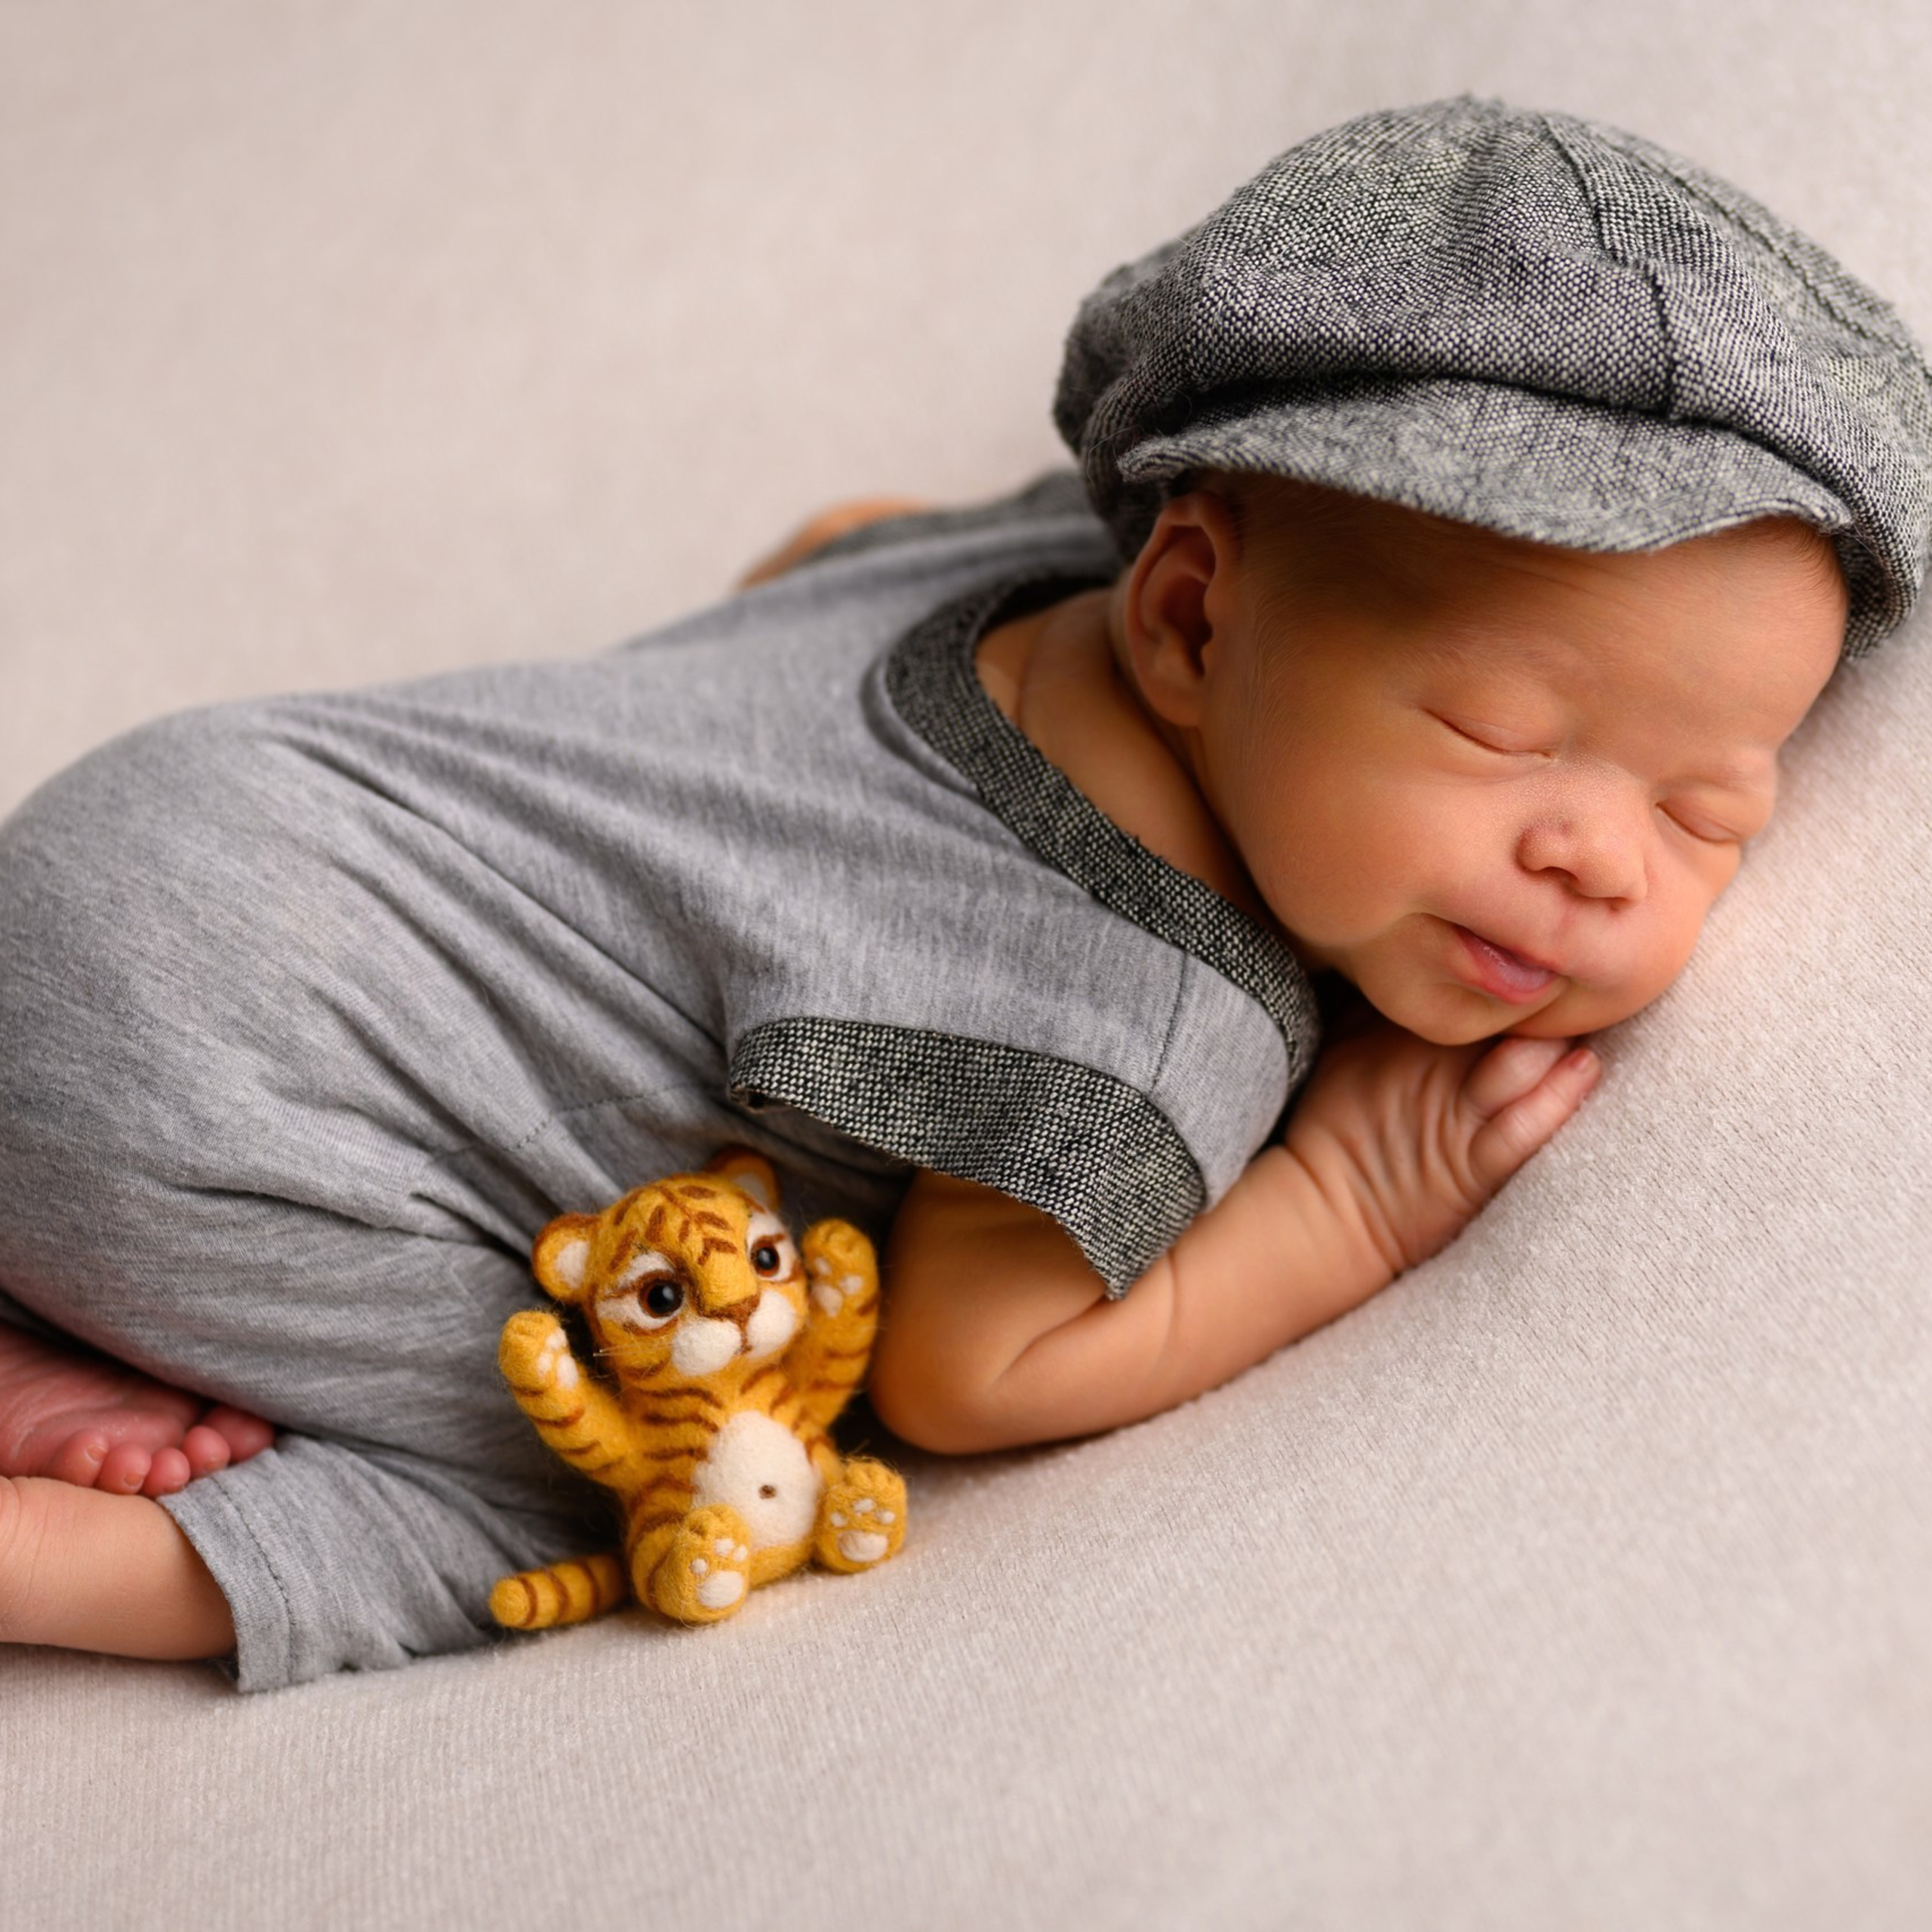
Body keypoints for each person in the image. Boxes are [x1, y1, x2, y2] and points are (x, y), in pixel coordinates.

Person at [1, 95, 1926, 1689]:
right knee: (674, 1469)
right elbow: (959, 1366)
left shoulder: (1026, 566)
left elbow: (824, 545)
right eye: (1500, 730)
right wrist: (1352, 1190)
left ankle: (62, 1292)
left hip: (185, 810)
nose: (1593, 853)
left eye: (1706, 811)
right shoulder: (1143, 1015)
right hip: (195, 1099)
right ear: (1187, 607)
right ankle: (48, 1561)